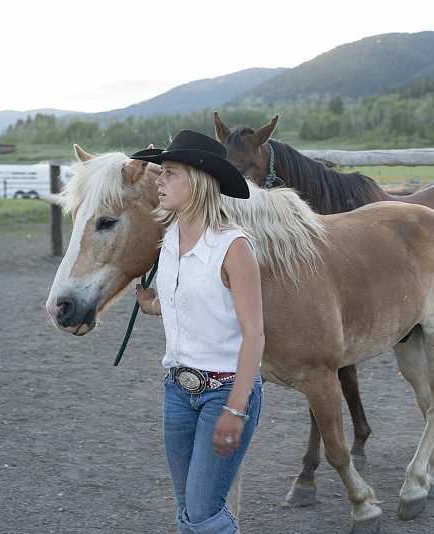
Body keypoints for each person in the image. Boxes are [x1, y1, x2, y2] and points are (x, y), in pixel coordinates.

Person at [131, 130, 264, 533]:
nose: (158, 180)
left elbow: (254, 333)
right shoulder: (169, 239)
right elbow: (187, 300)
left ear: (200, 182)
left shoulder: (234, 247)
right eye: (160, 172)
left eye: (170, 173)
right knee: (189, 507)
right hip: (176, 391)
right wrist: (153, 304)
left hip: (224, 392)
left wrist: (235, 409)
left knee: (204, 512)